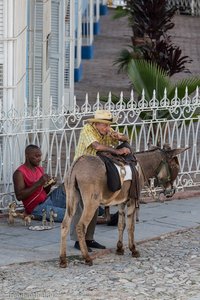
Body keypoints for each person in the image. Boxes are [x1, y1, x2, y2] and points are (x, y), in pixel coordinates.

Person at [70, 109, 131, 251]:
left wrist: (121, 138)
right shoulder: (87, 129)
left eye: (108, 125)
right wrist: (116, 151)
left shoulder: (107, 130)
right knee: (81, 205)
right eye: (104, 125)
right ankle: (78, 240)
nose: (107, 128)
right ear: (96, 123)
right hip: (82, 171)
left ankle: (89, 238)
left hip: (96, 172)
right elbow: (96, 146)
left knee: (94, 205)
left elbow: (126, 138)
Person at [13, 144, 66, 222]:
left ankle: (63, 210)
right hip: (36, 208)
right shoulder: (19, 173)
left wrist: (50, 184)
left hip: (47, 201)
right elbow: (19, 196)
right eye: (36, 156)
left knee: (66, 186)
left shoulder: (39, 169)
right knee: (69, 215)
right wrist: (39, 182)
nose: (39, 159)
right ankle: (56, 212)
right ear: (27, 156)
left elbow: (44, 191)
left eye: (40, 156)